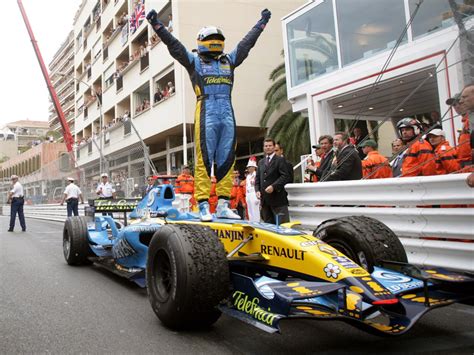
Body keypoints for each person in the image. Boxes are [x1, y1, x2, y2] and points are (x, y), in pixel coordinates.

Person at [147, 7, 271, 221]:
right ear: (202, 41)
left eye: (217, 38)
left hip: (227, 112)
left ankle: (223, 205)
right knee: (205, 160)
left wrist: (261, 23)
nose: (215, 41)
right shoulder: (194, 61)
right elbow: (174, 46)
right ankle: (203, 205)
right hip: (206, 111)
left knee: (226, 159)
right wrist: (157, 26)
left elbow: (246, 44)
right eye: (211, 38)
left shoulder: (229, 61)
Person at [255, 138, 291, 224]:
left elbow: (285, 176)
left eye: (270, 146)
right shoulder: (261, 162)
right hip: (265, 201)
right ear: (263, 148)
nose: (268, 147)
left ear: (274, 147)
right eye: (266, 146)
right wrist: (257, 190)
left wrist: (273, 186)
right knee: (268, 227)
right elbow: (257, 179)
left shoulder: (280, 160)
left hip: (278, 199)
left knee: (282, 225)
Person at [446, 93, 471, 167]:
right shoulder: (465, 122)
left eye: (459, 103)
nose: (456, 107)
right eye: (454, 105)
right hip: (465, 163)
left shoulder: (471, 120)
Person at [245, 156, 260, 222]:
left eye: (250, 167)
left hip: (254, 193)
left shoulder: (256, 174)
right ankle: (251, 222)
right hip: (248, 194)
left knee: (255, 210)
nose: (249, 168)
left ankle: (257, 223)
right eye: (248, 167)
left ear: (254, 167)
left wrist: (258, 197)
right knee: (250, 210)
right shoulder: (248, 176)